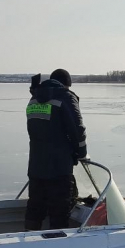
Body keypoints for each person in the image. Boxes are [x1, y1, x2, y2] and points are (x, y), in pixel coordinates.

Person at [24, 68, 87, 230]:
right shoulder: (65, 97)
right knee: (59, 210)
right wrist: (81, 153)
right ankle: (57, 246)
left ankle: (29, 240)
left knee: (35, 207)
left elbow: (35, 131)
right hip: (59, 168)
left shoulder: (34, 99)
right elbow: (77, 129)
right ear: (66, 85)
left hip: (36, 166)